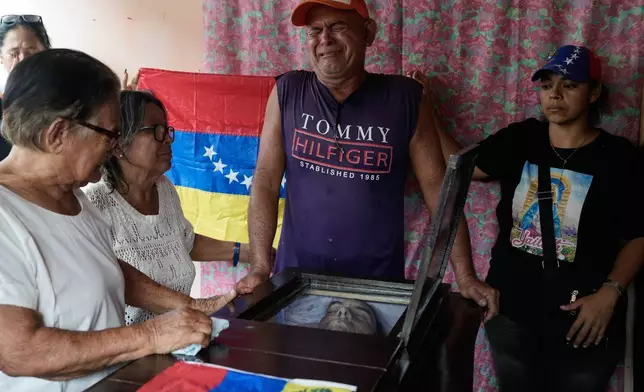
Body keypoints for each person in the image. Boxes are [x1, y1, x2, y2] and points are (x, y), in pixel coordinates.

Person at [240, 0, 499, 321]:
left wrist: (466, 276)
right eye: (315, 30)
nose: (325, 39)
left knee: (365, 371)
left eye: (337, 27)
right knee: (294, 370)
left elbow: (439, 191)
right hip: (295, 283)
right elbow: (265, 180)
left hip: (378, 290)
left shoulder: (406, 98)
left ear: (369, 33)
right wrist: (261, 267)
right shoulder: (287, 91)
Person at [0, 49, 236, 392]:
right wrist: (151, 335)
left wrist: (195, 307)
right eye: (109, 134)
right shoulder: (7, 214)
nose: (115, 147)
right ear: (57, 134)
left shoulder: (74, 198)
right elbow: (19, 351)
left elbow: (109, 271)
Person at [412, 45, 644, 391]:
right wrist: (425, 107)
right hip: (511, 313)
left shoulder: (619, 158)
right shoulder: (522, 139)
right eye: (547, 84)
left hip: (584, 319)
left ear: (594, 92)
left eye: (569, 85)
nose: (554, 94)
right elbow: (462, 166)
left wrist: (610, 294)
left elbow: (640, 234)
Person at [84, 90, 260, 325]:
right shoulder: (94, 204)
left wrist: (248, 251)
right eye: (155, 131)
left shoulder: (164, 190)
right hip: (128, 347)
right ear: (119, 144)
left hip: (179, 334)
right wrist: (199, 306)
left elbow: (183, 241)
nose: (167, 138)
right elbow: (115, 280)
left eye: (167, 130)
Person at [0, 14, 51, 161]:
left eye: (30, 52)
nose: (22, 60)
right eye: (14, 54)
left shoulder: (60, 97)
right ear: (1, 57)